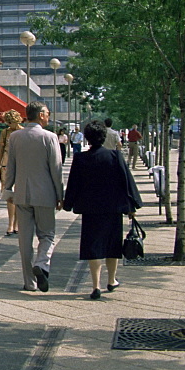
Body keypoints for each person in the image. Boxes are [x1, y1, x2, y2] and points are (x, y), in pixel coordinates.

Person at [63, 120, 143, 300]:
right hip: (113, 207)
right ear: (104, 136)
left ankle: (95, 285)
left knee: (93, 245)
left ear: (87, 138)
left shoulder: (81, 158)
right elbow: (126, 181)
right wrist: (133, 205)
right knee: (112, 244)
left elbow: (74, 184)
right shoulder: (115, 157)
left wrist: (68, 203)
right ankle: (111, 279)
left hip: (90, 209)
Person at [3, 102, 64, 292]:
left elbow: (10, 165)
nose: (48, 116)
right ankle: (42, 263)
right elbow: (56, 169)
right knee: (47, 235)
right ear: (40, 115)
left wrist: (8, 189)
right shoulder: (50, 137)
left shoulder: (15, 137)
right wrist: (60, 194)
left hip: (21, 194)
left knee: (25, 239)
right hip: (45, 195)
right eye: (47, 113)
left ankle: (29, 282)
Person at [0, 109, 24, 236]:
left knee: (19, 194)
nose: (9, 125)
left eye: (11, 122)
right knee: (9, 194)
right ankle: (10, 223)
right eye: (8, 122)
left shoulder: (23, 132)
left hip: (20, 164)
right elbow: (1, 150)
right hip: (6, 163)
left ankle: (17, 223)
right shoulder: (5, 132)